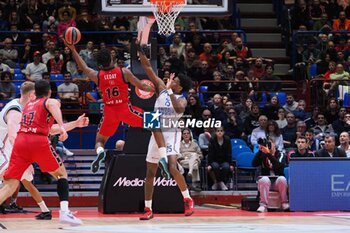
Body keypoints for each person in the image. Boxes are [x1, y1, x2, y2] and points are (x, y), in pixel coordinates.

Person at [0, 80, 88, 226]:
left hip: (21, 144)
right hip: (28, 144)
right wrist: (62, 126)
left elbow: (48, 129)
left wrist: (75, 124)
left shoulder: (28, 107)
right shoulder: (48, 102)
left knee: (11, 184)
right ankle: (65, 212)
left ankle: (46, 209)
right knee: (61, 174)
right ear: (49, 92)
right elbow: (53, 106)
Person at [65, 40, 156, 174]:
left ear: (99, 64)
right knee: (154, 123)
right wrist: (157, 88)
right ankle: (163, 153)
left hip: (109, 112)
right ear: (112, 59)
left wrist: (73, 49)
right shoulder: (124, 72)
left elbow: (83, 67)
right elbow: (142, 86)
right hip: (125, 109)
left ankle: (101, 152)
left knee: (99, 141)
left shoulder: (97, 76)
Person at [138, 42, 194, 220]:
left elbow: (178, 110)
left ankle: (187, 199)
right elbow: (148, 68)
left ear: (180, 86)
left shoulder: (181, 98)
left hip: (171, 133)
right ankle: (148, 209)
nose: (172, 80)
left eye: (175, 81)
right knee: (150, 173)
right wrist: (141, 52)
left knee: (171, 167)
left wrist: (169, 91)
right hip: (156, 132)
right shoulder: (161, 88)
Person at [252, 139, 289, 213]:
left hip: (277, 183)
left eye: (270, 143)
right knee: (264, 179)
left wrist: (269, 154)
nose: (268, 145)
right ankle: (263, 205)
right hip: (266, 183)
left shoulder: (280, 154)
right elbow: (254, 164)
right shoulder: (262, 154)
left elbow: (278, 165)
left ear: (274, 144)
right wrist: (260, 151)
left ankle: (284, 202)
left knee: (282, 179)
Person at [207, 127, 233, 191]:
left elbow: (229, 153)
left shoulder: (227, 139)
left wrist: (231, 164)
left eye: (221, 131)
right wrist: (209, 164)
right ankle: (221, 182)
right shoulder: (212, 140)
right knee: (215, 167)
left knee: (226, 167)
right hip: (214, 160)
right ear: (215, 132)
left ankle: (217, 182)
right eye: (218, 131)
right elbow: (210, 153)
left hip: (224, 160)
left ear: (223, 132)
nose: (220, 132)